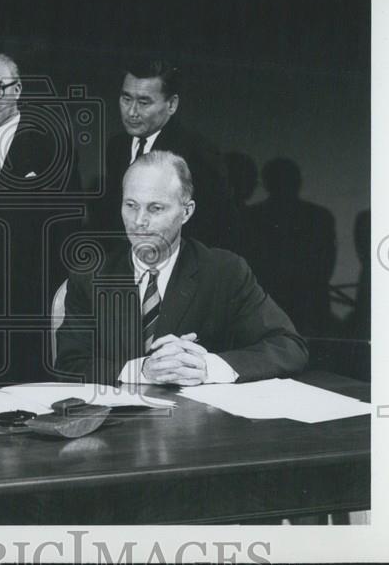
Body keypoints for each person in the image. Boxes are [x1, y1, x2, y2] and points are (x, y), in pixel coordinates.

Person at [56, 150, 307, 385]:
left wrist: (207, 367)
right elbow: (69, 364)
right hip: (118, 426)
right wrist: (141, 370)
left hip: (200, 426)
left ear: (186, 212)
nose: (139, 221)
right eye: (131, 205)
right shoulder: (91, 276)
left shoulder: (224, 272)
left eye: (155, 208)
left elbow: (289, 346)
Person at [0, 51, 83, 384]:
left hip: (32, 300)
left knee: (30, 390)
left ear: (18, 89)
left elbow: (69, 224)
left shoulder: (51, 141)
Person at [89, 58, 241, 252]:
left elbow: (219, 228)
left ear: (172, 105)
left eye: (144, 102)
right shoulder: (117, 147)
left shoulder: (198, 153)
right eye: (126, 99)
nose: (132, 112)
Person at [244, 157, 337, 336]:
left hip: (269, 303)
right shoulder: (320, 216)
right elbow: (326, 264)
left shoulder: (252, 217)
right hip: (310, 304)